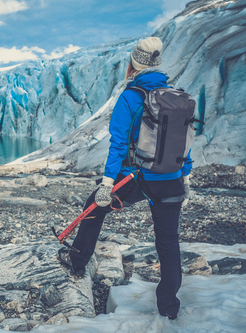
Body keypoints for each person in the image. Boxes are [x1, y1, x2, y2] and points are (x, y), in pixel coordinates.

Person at [58, 37, 192, 320]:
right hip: (171, 180)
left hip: (138, 177)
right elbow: (185, 144)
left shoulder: (131, 97)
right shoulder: (178, 98)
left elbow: (118, 145)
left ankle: (78, 261)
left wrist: (107, 184)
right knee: (168, 240)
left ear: (134, 63)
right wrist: (185, 176)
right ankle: (169, 307)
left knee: (94, 206)